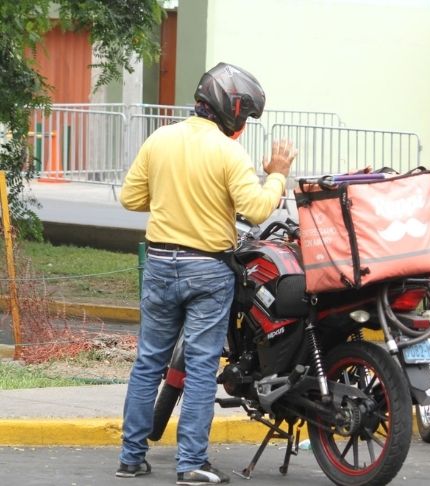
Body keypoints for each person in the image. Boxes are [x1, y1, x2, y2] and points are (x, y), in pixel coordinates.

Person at [115, 62, 296, 485]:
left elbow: (130, 197)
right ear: (230, 108)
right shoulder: (228, 151)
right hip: (207, 270)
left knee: (147, 364)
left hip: (159, 263)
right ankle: (190, 463)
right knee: (199, 368)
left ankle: (130, 458)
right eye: (244, 115)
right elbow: (255, 209)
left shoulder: (160, 139)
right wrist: (277, 175)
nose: (244, 124)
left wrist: (172, 202)